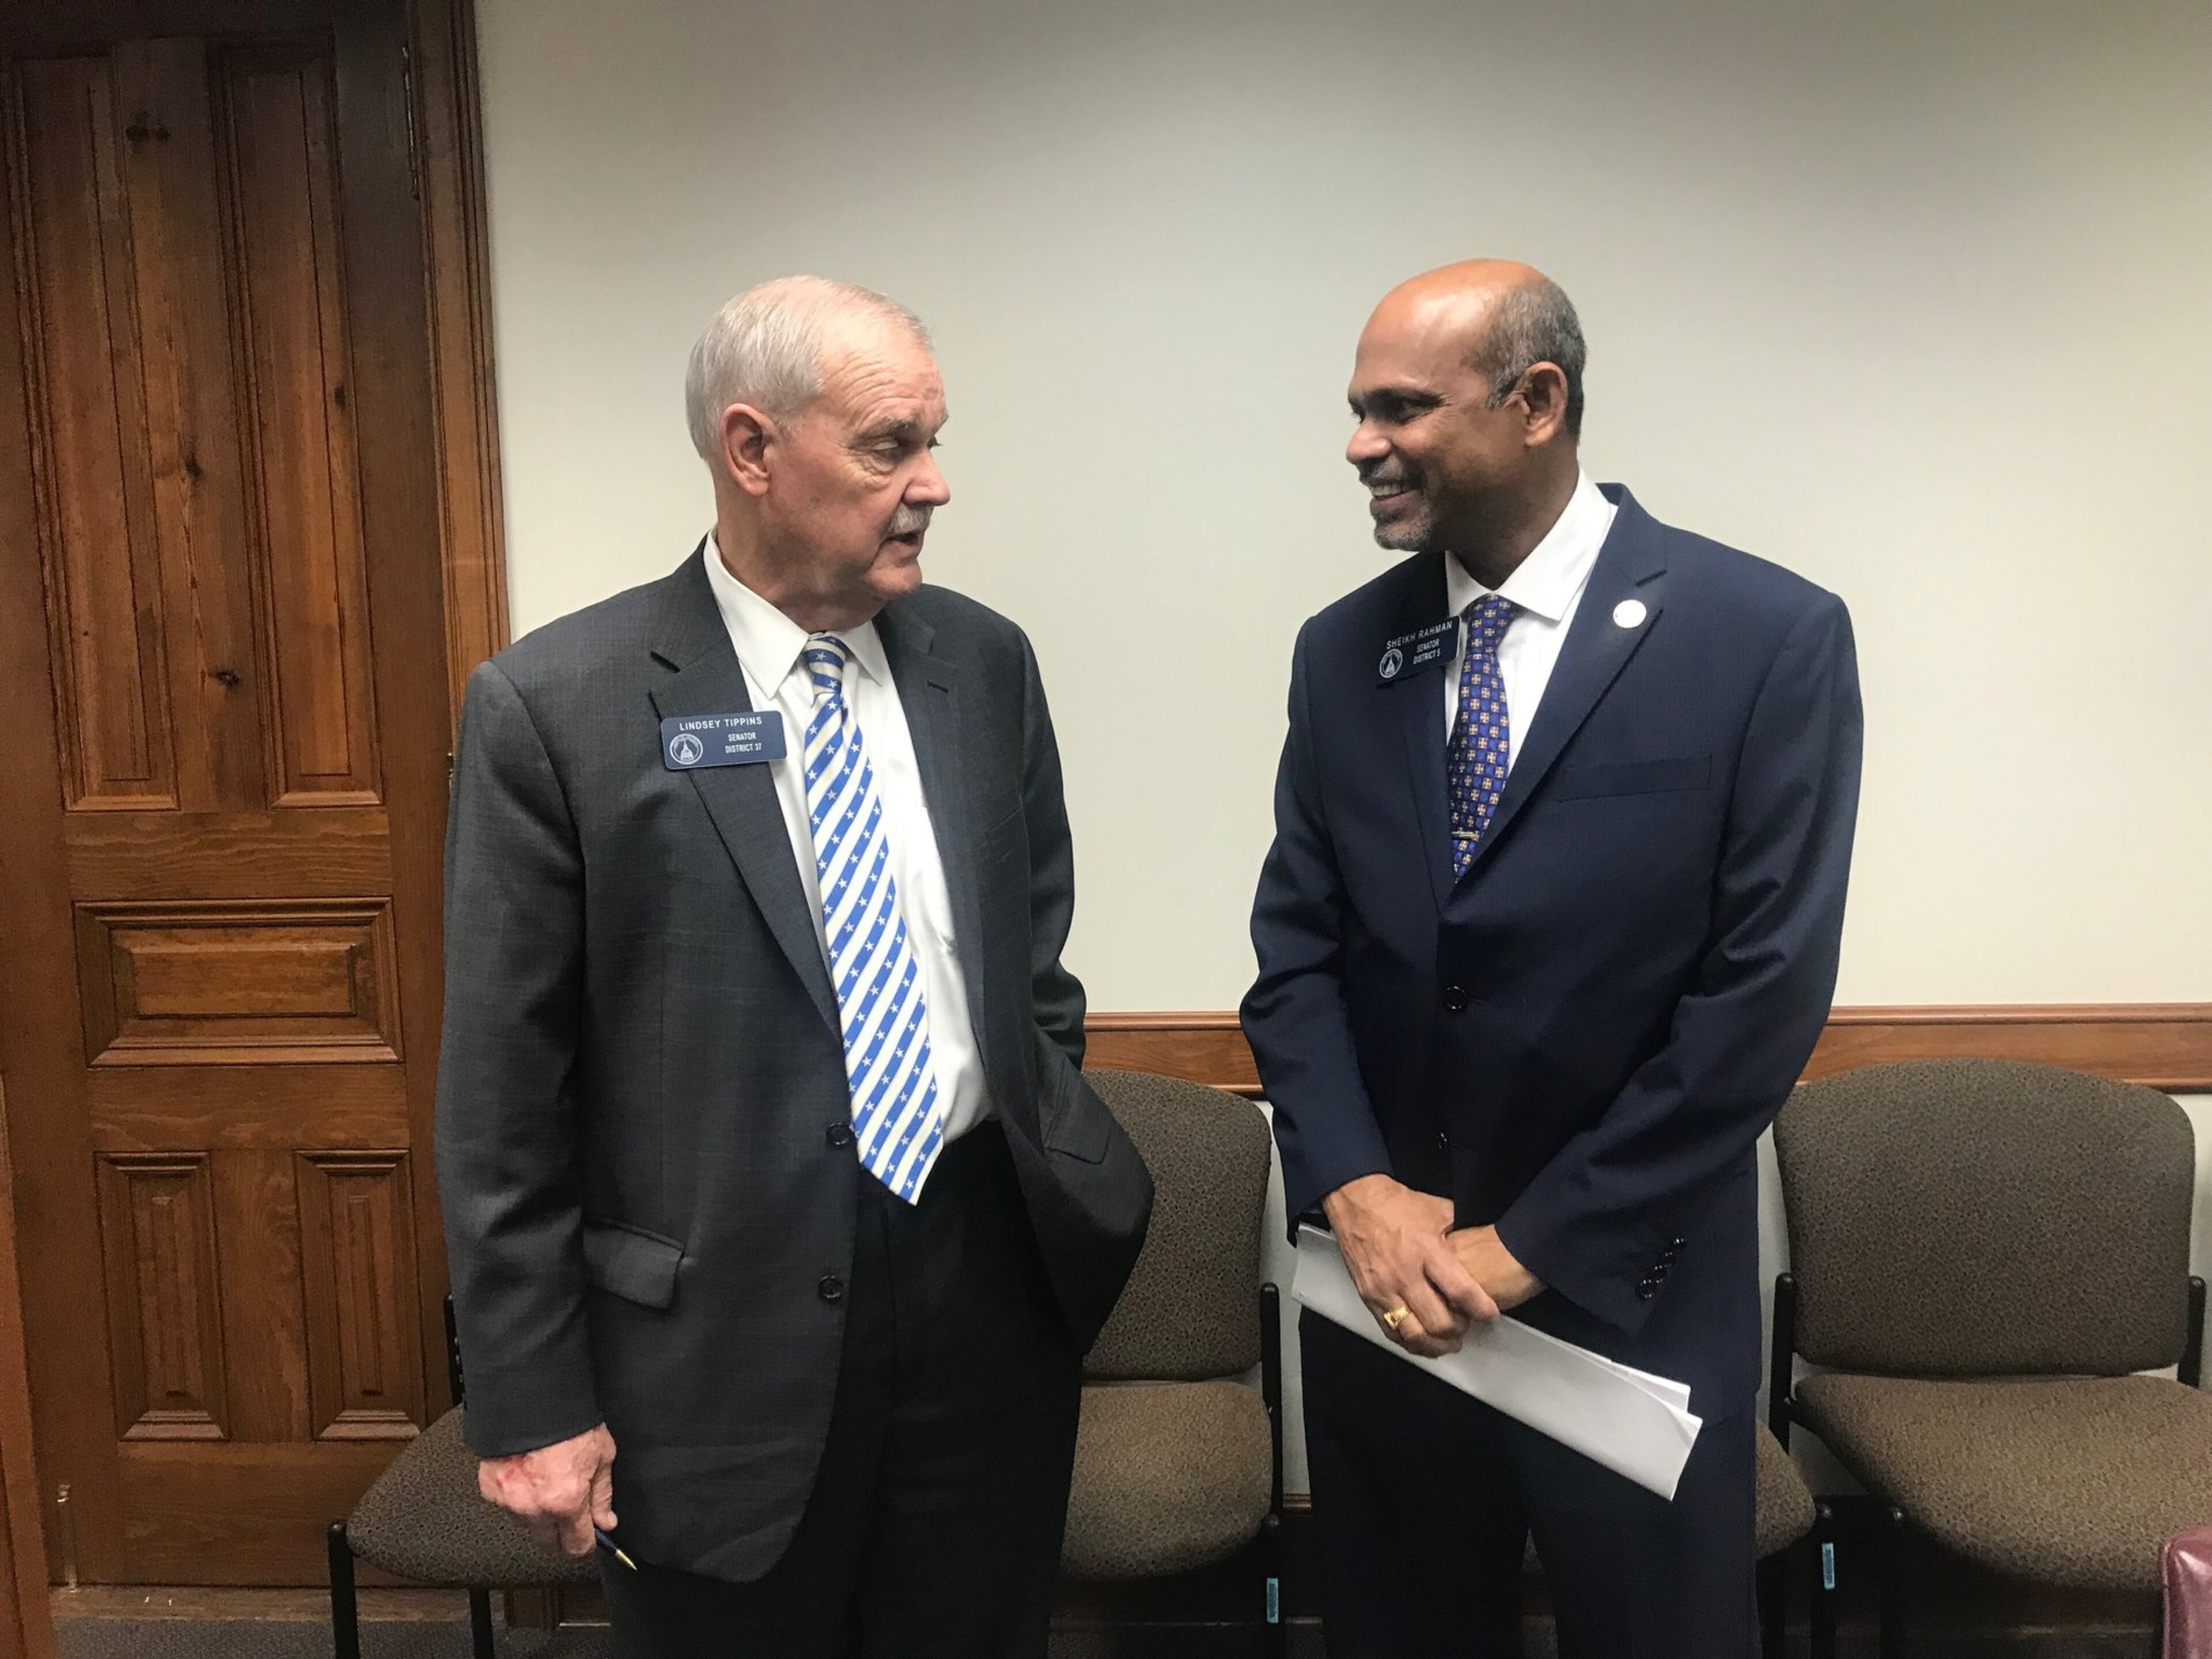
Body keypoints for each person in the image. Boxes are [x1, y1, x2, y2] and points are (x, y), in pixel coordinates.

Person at [435, 276, 1152, 1658]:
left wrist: (1054, 1159)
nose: (934, 484)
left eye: (935, 440)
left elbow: (1032, 965)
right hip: (711, 1337)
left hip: (979, 1284)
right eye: (891, 446)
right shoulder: (556, 707)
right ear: (752, 451)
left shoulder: (983, 665)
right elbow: (503, 1097)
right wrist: (528, 1398)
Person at [1241, 260, 1861, 1657]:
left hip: (1625, 1298)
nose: (1360, 445)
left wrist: (1535, 1244)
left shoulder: (1763, 638)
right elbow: (1295, 958)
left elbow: (1759, 997)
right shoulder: (1345, 652)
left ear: (1537, 402)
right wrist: (1356, 1186)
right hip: (1392, 1297)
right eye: (1356, 409)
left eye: (1402, 407)